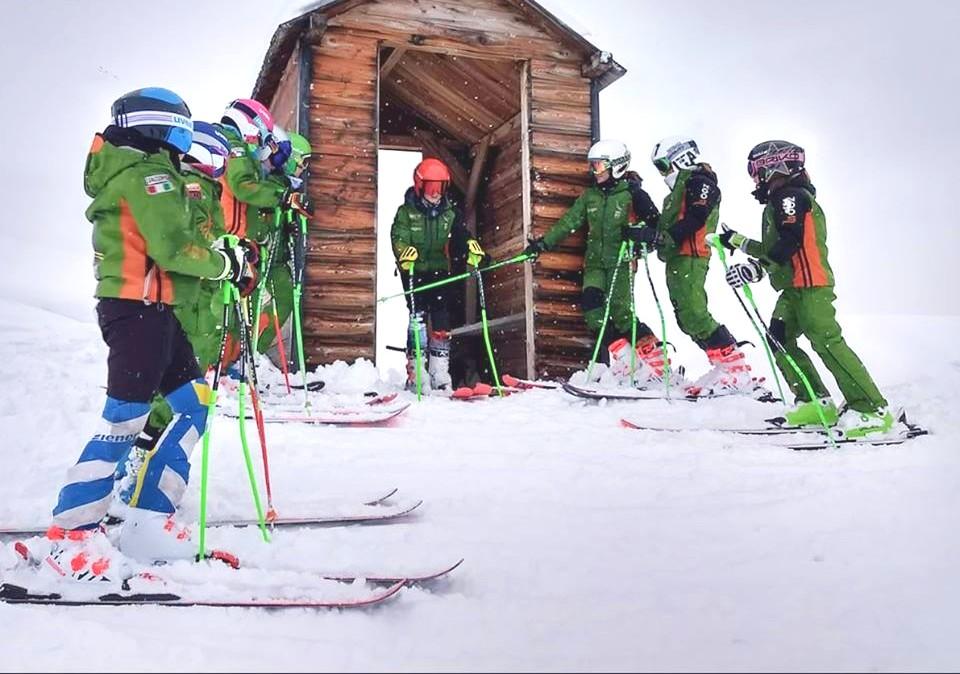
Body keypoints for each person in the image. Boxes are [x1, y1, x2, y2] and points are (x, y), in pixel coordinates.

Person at [44, 88, 258, 579]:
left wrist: (230, 259)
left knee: (193, 403)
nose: (186, 136)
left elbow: (186, 245)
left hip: (157, 310)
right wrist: (224, 264)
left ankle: (148, 517)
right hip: (134, 309)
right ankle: (72, 533)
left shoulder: (151, 172)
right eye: (180, 126)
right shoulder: (146, 175)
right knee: (125, 417)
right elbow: (175, 247)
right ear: (161, 127)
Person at [720, 140, 894, 437]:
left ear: (774, 166)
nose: (755, 178)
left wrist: (756, 268)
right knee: (778, 338)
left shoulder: (790, 196)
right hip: (792, 289)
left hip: (811, 286)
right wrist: (738, 242)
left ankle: (872, 409)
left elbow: (790, 242)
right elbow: (775, 247)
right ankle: (815, 402)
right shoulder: (782, 199)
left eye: (756, 171)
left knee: (827, 341)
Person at [116, 122, 234, 508]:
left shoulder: (200, 188)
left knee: (183, 392)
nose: (223, 168)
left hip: (193, 300)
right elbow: (190, 243)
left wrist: (231, 253)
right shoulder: (192, 188)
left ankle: (142, 465)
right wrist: (223, 258)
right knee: (170, 392)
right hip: (182, 302)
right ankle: (138, 463)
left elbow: (205, 238)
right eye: (220, 160)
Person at [523, 140, 671, 386]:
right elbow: (569, 222)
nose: (595, 171)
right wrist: (543, 244)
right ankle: (628, 362)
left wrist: (640, 233)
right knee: (592, 310)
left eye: (600, 166)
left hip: (620, 262)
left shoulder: (633, 194)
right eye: (592, 166)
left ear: (617, 167)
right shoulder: (590, 196)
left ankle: (657, 363)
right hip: (594, 263)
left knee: (621, 314)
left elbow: (657, 228)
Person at [636, 136, 762, 396]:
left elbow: (697, 217)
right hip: (675, 257)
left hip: (692, 255)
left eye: (663, 164)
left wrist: (664, 237)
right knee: (685, 317)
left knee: (694, 311)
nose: (664, 172)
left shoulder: (700, 183)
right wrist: (648, 235)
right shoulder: (677, 192)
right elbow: (668, 224)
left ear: (679, 157)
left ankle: (735, 368)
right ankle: (720, 365)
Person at [390, 158, 486, 391]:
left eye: (440, 188)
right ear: (420, 186)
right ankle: (416, 370)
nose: (435, 194)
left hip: (439, 270)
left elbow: (461, 236)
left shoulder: (449, 213)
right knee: (418, 317)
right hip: (414, 270)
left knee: (442, 319)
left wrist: (471, 248)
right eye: (431, 188)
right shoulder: (406, 212)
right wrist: (404, 253)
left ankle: (439, 371)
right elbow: (398, 236)